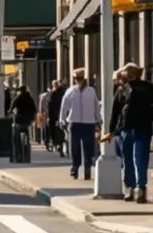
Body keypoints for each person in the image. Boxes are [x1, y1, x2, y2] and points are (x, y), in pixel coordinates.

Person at [110, 63, 153, 204]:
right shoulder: (122, 89)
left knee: (140, 159)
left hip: (142, 127)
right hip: (126, 128)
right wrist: (111, 130)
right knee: (127, 159)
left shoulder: (146, 87)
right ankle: (131, 187)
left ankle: (140, 188)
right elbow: (115, 110)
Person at [61, 68, 102, 180]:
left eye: (80, 79)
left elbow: (96, 106)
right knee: (75, 147)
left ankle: (88, 166)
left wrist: (98, 119)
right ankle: (75, 166)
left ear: (84, 79)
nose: (78, 81)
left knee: (88, 146)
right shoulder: (70, 91)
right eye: (76, 79)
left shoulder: (91, 91)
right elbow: (64, 106)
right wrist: (62, 119)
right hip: (74, 122)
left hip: (88, 123)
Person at [43, 78, 67, 155]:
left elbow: (49, 106)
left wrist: (48, 116)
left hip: (54, 116)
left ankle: (57, 144)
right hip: (60, 116)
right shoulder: (63, 93)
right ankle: (60, 145)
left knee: (55, 131)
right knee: (61, 131)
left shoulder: (52, 94)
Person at [12, 84, 37, 153]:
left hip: (20, 117)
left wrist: (10, 111)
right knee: (27, 127)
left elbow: (12, 105)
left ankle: (18, 145)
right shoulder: (30, 98)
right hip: (28, 117)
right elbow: (34, 109)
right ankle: (27, 139)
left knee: (16, 129)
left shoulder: (18, 97)